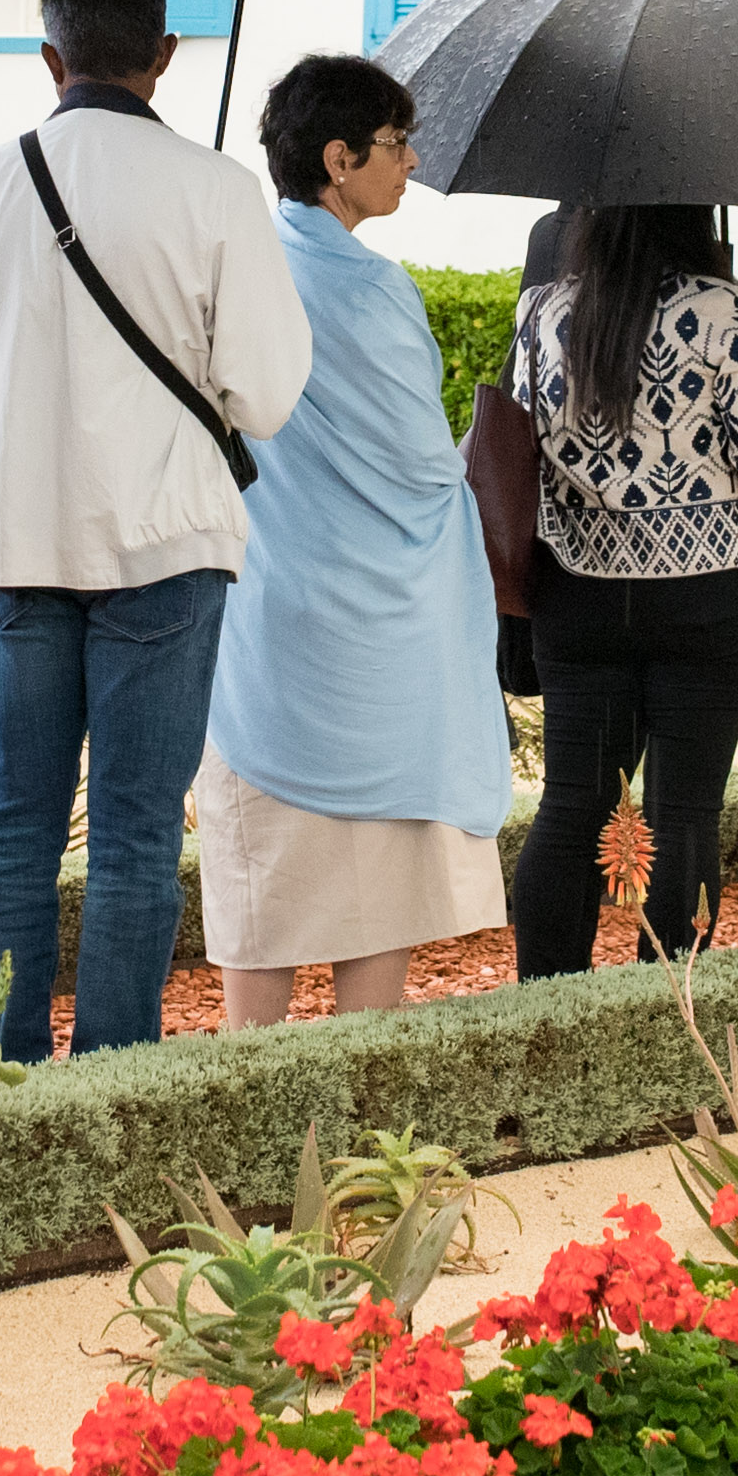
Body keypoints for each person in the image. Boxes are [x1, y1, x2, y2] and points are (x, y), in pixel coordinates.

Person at [0, 0, 310, 1064]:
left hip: (20, 541)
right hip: (165, 546)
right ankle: (114, 1081)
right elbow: (268, 395)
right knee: (136, 837)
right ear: (166, 57)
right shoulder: (217, 188)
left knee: (15, 830)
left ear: (50, 56)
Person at [189, 58, 509, 1027]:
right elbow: (421, 466)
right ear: (339, 159)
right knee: (377, 909)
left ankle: (242, 1144)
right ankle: (369, 1159)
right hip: (375, 645)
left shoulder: (230, 264)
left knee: (262, 912)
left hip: (264, 622)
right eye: (397, 142)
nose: (411, 161)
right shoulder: (372, 291)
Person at [513, 195, 738, 973]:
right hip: (708, 595)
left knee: (574, 808)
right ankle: (668, 1011)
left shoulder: (544, 310)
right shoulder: (721, 309)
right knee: (684, 815)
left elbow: (520, 447)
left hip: (578, 593)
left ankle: (543, 1013)